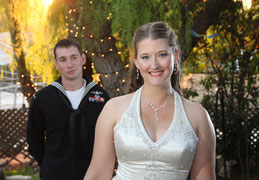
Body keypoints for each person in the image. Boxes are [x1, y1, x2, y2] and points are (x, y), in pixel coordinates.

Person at [84, 22, 216, 180]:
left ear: (176, 55)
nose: (154, 65)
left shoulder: (198, 116)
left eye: (162, 55)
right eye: (145, 57)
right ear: (136, 62)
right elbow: (98, 174)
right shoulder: (113, 109)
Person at [26, 38, 110, 180]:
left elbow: (109, 137)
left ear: (82, 59)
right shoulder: (43, 98)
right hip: (55, 174)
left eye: (74, 57)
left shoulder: (100, 96)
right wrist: (49, 164)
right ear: (56, 64)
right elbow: (34, 139)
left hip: (93, 174)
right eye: (63, 60)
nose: (69, 64)